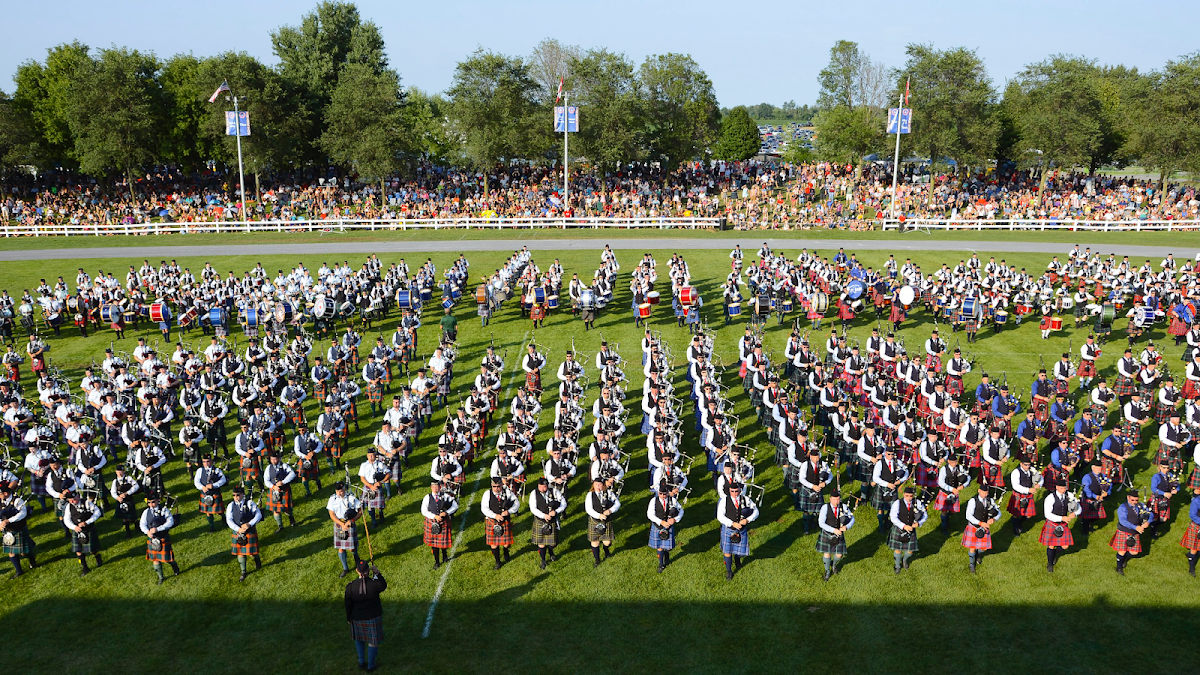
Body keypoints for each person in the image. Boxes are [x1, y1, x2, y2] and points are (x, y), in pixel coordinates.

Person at [344, 560, 387, 673]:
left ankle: (361, 662)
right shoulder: (375, 584)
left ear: (357, 571)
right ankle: (371, 665)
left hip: (357, 617)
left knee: (359, 639)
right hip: (373, 617)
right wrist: (377, 573)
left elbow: (348, 604)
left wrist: (349, 618)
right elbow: (383, 585)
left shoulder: (350, 587)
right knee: (373, 641)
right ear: (368, 570)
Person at [716, 482, 758, 580]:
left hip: (741, 530)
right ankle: (729, 571)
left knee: (740, 552)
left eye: (736, 491)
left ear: (740, 490)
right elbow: (720, 516)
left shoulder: (746, 499)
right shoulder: (724, 501)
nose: (735, 493)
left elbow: (756, 511)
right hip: (729, 529)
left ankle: (737, 558)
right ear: (729, 491)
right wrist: (732, 523)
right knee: (727, 551)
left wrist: (747, 520)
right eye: (732, 491)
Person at [1040, 480, 1080, 573]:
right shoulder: (1050, 498)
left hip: (1063, 524)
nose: (1063, 490)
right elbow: (1047, 514)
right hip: (1052, 524)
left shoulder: (1069, 495)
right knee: (1051, 545)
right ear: (1057, 487)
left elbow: (1078, 507)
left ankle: (1053, 554)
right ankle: (1050, 563)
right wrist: (1062, 518)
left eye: (1064, 488)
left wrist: (1075, 513)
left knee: (1065, 546)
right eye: (1061, 488)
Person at [140, 492, 180, 584]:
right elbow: (142, 524)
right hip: (153, 539)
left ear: (158, 500)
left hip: (163, 537)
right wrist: (147, 532)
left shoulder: (164, 510)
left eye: (153, 502)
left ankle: (174, 565)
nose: (151, 504)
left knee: (167, 559)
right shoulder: (146, 512)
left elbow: (170, 522)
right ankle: (161, 577)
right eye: (148, 502)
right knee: (155, 559)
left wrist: (158, 529)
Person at [481, 477, 520, 570]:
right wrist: (495, 516)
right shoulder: (487, 494)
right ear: (491, 485)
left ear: (502, 485)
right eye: (494, 486)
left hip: (505, 521)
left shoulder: (507, 492)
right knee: (494, 544)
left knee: (506, 543)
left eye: (498, 486)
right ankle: (497, 561)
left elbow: (516, 503)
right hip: (492, 521)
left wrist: (509, 511)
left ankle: (506, 550)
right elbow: (484, 508)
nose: (496, 488)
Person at [225, 485, 262, 581]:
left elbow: (258, 515)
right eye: (234, 495)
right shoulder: (230, 506)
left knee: (252, 553)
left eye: (238, 495)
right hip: (238, 532)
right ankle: (243, 571)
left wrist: (250, 524)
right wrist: (238, 529)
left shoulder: (250, 503)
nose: (236, 497)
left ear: (242, 494)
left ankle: (257, 559)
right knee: (240, 553)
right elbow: (229, 520)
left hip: (249, 531)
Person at [62, 489, 103, 576]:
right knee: (78, 551)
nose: (72, 501)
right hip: (77, 531)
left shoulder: (87, 503)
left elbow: (97, 512)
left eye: (74, 499)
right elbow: (66, 519)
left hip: (88, 529)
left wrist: (87, 522)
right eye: (70, 500)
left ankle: (97, 556)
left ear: (78, 496)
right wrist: (74, 527)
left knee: (92, 550)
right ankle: (85, 568)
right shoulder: (69, 507)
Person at [887, 487, 927, 573]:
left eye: (911, 496)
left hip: (911, 530)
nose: (909, 498)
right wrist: (904, 526)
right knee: (898, 549)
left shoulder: (918, 503)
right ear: (903, 494)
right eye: (907, 495)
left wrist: (919, 523)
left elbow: (925, 515)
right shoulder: (897, 503)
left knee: (910, 551)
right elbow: (893, 517)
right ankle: (897, 565)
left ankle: (905, 560)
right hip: (899, 529)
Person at [1111, 492, 1153, 576]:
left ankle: (1124, 558)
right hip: (1124, 531)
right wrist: (1136, 527)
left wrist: (1148, 522)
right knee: (1122, 551)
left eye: (1136, 500)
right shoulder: (1123, 507)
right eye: (1132, 500)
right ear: (1128, 497)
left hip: (1134, 533)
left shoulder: (1140, 506)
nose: (1134, 502)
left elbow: (1150, 514)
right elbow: (1123, 521)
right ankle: (1119, 567)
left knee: (1134, 552)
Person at [528, 477, 566, 569]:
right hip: (540, 520)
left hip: (552, 520)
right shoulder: (534, 493)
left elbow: (563, 503)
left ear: (547, 486)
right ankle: (543, 560)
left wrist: (556, 511)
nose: (543, 489)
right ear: (538, 486)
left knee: (553, 543)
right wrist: (543, 516)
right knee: (541, 543)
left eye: (544, 487)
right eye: (541, 487)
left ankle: (551, 550)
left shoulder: (554, 492)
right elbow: (533, 508)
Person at [328, 481, 363, 577]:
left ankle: (358, 563)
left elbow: (360, 511)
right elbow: (331, 514)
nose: (339, 492)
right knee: (341, 548)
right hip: (339, 525)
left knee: (352, 548)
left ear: (345, 489)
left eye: (341, 490)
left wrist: (352, 520)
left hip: (349, 524)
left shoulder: (351, 499)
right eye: (338, 491)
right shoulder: (332, 499)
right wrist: (341, 524)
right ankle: (345, 568)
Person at [648, 480, 684, 573]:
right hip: (658, 526)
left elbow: (681, 511)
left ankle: (667, 554)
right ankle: (661, 564)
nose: (663, 496)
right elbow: (650, 514)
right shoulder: (653, 501)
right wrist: (661, 522)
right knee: (659, 546)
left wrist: (675, 519)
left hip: (669, 526)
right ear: (658, 492)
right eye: (660, 494)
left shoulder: (673, 500)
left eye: (665, 494)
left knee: (667, 547)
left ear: (668, 493)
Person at [420, 481, 457, 569]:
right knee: (434, 545)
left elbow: (455, 506)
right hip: (432, 523)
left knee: (443, 543)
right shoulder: (427, 497)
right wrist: (434, 516)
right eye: (434, 487)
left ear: (440, 487)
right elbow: (423, 511)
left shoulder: (445, 495)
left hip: (443, 522)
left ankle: (445, 556)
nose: (436, 488)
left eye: (437, 487)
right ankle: (437, 562)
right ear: (431, 487)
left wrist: (447, 512)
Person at [0, 484, 36, 576]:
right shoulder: (1, 501)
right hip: (7, 530)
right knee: (11, 552)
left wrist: (9, 521)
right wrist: (1, 524)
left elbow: (22, 514)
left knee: (23, 553)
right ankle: (19, 571)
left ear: (6, 493)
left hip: (18, 528)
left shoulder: (17, 500)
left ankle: (31, 558)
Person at [816, 492, 853, 581]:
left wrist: (847, 526)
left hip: (839, 535)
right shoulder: (825, 508)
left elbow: (852, 518)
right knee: (827, 553)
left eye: (838, 499)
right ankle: (827, 571)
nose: (836, 501)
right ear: (830, 499)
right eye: (834, 499)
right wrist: (833, 530)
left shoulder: (843, 507)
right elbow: (821, 523)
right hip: (827, 534)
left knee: (839, 555)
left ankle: (834, 564)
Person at [962, 484, 999, 573]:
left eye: (986, 493)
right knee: (972, 547)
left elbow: (999, 512)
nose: (985, 495)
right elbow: (968, 516)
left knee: (983, 548)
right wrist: (980, 523)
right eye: (983, 492)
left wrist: (994, 519)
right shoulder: (972, 501)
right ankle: (971, 563)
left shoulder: (990, 501)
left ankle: (978, 554)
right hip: (974, 527)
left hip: (984, 528)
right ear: (979, 491)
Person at [584, 477, 620, 567]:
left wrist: (610, 511)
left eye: (599, 484)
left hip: (606, 521)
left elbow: (618, 504)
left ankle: (606, 549)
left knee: (607, 542)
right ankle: (597, 559)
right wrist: (599, 516)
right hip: (595, 521)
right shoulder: (590, 495)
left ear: (603, 485)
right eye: (595, 484)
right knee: (595, 542)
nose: (597, 486)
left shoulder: (609, 493)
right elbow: (588, 509)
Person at [264, 452, 297, 529]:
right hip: (274, 491)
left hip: (284, 490)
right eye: (272, 459)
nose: (273, 461)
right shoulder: (268, 468)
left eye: (275, 459)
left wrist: (283, 482)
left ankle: (291, 518)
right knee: (276, 510)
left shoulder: (284, 466)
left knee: (286, 508)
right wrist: (273, 486)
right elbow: (266, 481)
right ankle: (280, 527)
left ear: (278, 459)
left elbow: (292, 474)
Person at [194, 455, 227, 532]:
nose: (206, 463)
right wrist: (202, 487)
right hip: (205, 494)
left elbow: (223, 480)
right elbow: (196, 482)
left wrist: (214, 485)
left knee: (219, 511)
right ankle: (212, 526)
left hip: (215, 493)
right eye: (204, 462)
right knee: (208, 512)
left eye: (208, 461)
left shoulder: (217, 470)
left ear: (211, 461)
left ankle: (224, 518)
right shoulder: (199, 471)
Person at [1181, 489, 1200, 577]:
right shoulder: (1196, 501)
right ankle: (1191, 568)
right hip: (1197, 526)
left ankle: (1190, 556)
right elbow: (1192, 515)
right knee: (1194, 548)